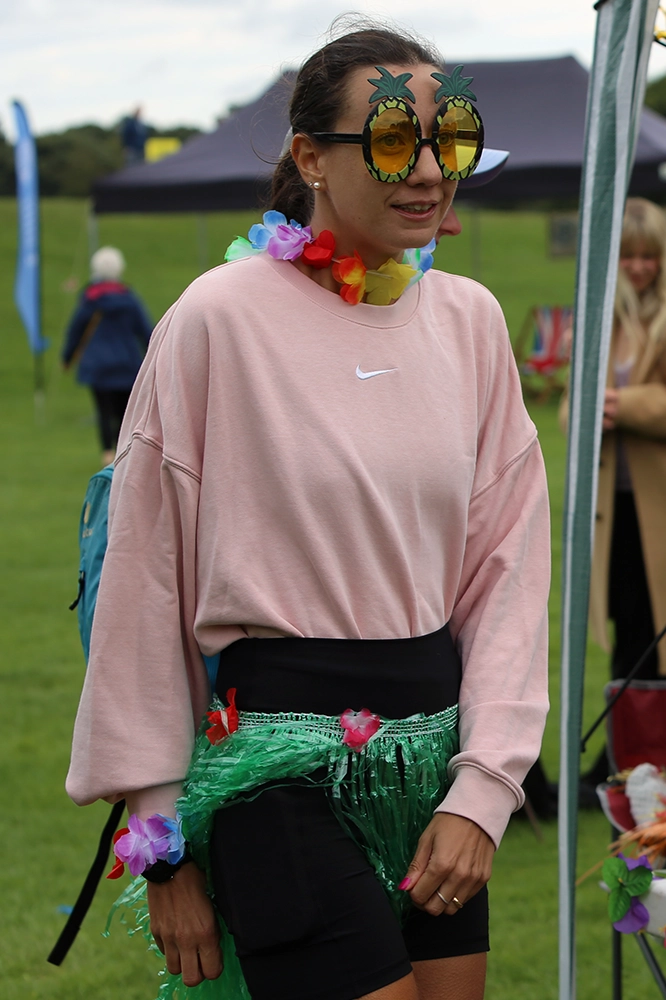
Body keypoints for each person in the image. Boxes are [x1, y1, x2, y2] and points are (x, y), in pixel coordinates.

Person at [66, 24, 550, 1000]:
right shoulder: (217, 320)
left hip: (434, 766)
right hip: (275, 768)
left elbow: (509, 572)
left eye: (450, 136)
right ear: (308, 157)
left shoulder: (471, 322)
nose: (427, 170)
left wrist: (487, 786)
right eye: (390, 141)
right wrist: (162, 850)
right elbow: (141, 584)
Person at [562, 198, 666, 791]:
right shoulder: (598, 321)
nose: (639, 267)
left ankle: (633, 762)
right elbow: (572, 415)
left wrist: (626, 405)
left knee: (653, 635)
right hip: (613, 513)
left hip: (658, 511)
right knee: (627, 634)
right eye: (628, 255)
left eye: (650, 256)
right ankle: (627, 759)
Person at [62, 246, 152, 466]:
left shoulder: (90, 300)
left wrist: (67, 357)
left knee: (103, 410)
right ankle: (124, 452)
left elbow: (76, 330)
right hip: (127, 364)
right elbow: (146, 331)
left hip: (98, 364)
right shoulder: (129, 300)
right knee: (124, 412)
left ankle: (106, 454)